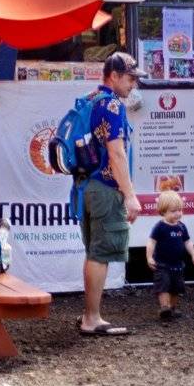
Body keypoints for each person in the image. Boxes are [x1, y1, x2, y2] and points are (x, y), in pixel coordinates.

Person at [78, 52, 145, 336]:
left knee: (94, 252)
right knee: (101, 254)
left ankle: (88, 314)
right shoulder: (113, 105)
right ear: (114, 76)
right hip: (106, 188)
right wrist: (129, 195)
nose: (133, 84)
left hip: (85, 187)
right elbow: (116, 153)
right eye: (130, 78)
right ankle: (91, 318)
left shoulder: (90, 99)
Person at [146, 190, 194, 320]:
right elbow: (151, 242)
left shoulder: (181, 227)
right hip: (162, 265)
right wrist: (149, 257)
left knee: (176, 288)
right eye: (173, 211)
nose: (178, 213)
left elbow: (187, 242)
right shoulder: (160, 227)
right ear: (163, 211)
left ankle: (172, 308)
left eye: (180, 210)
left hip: (178, 265)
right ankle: (164, 307)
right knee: (163, 286)